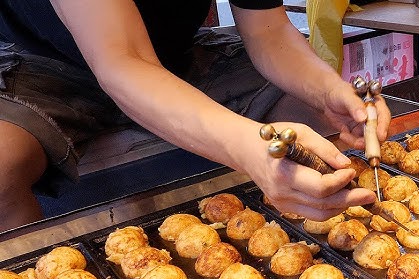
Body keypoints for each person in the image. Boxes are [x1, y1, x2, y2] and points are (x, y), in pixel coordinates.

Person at [0, 0, 390, 232]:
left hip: (177, 54)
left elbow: (268, 30)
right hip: (38, 62)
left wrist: (328, 91)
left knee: (317, 123)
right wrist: (248, 145)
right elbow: (124, 59)